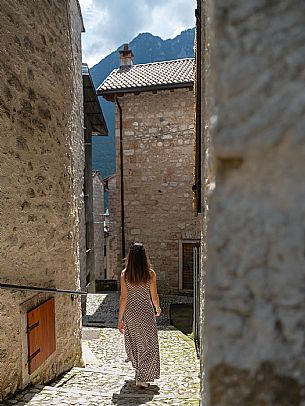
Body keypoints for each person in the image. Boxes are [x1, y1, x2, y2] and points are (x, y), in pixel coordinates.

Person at [118, 242, 161, 388]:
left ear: (130, 256)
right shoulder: (150, 274)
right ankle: (142, 377)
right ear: (144, 257)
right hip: (146, 313)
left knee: (135, 343)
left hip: (130, 313)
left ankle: (139, 372)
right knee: (149, 345)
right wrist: (158, 308)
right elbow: (154, 296)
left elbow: (123, 298)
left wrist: (120, 319)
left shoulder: (124, 274)